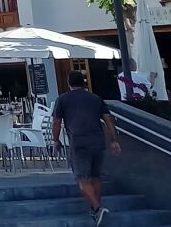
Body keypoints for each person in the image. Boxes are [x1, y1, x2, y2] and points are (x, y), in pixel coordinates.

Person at [51, 70, 121, 225]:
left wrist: (55, 140)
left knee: (82, 179)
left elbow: (56, 123)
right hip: (97, 140)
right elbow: (108, 121)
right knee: (95, 176)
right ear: (83, 82)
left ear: (69, 82)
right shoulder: (96, 99)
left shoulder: (62, 99)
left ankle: (97, 208)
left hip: (79, 142)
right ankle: (96, 210)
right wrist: (114, 140)